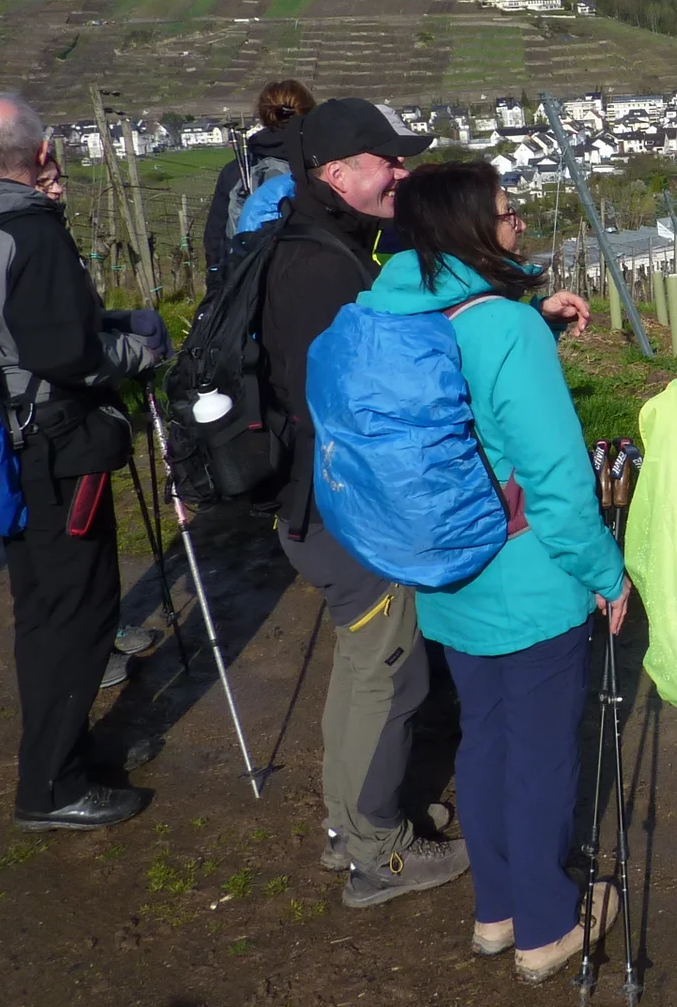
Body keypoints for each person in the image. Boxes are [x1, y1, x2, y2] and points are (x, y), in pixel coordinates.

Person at [353, 160, 624, 982]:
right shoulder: (504, 329)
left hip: (443, 569)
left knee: (485, 736)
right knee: (542, 747)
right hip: (528, 575)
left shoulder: (397, 315)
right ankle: (546, 925)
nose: (518, 224)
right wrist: (606, 573)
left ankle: (497, 911)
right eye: (506, 213)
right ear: (471, 227)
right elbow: (558, 480)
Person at [260, 97, 466, 907]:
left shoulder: (311, 245)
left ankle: (350, 824)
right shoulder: (324, 269)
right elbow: (354, 403)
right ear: (338, 174)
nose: (403, 173)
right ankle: (377, 853)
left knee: (362, 665)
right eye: (389, 160)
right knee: (390, 673)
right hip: (343, 508)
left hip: (312, 501)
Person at [0, 93, 167, 831]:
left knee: (40, 611)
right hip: (56, 449)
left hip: (7, 447)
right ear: (41, 156)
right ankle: (53, 786)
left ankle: (61, 751)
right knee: (80, 615)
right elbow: (69, 352)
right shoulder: (31, 232)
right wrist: (141, 346)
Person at [203, 79, 314, 273]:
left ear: (264, 115)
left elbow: (214, 240)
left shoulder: (236, 169)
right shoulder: (323, 164)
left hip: (247, 280)